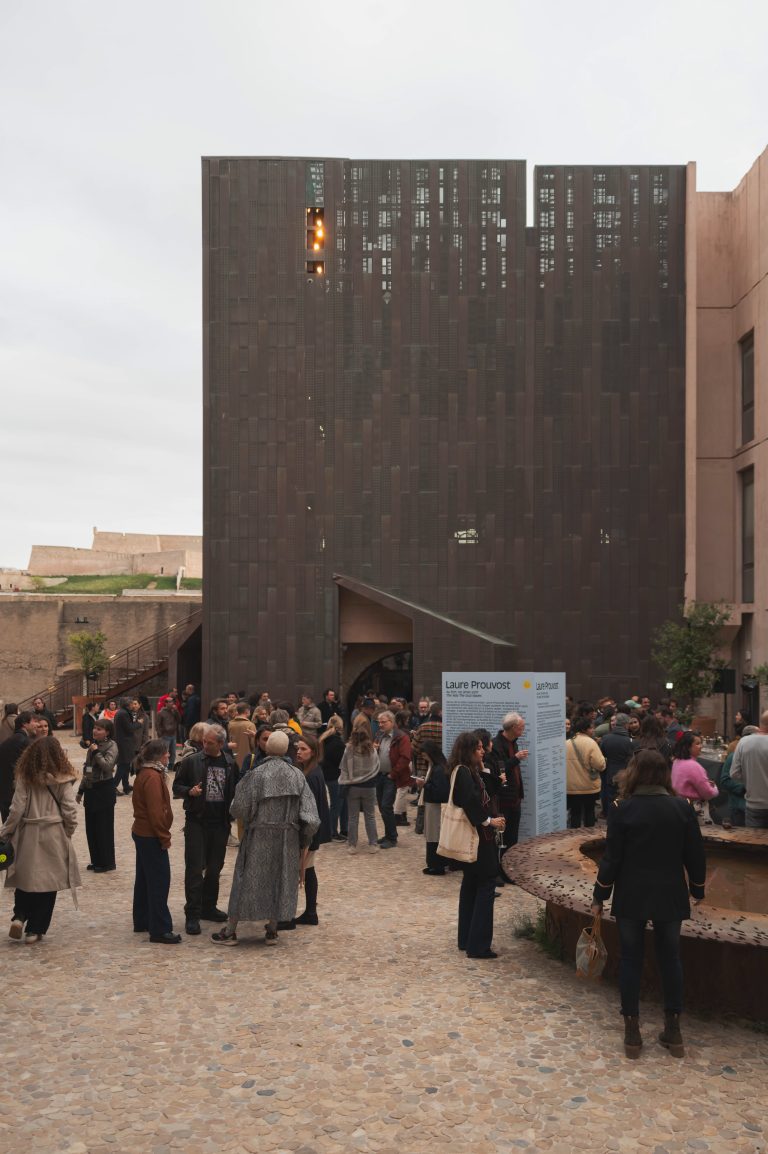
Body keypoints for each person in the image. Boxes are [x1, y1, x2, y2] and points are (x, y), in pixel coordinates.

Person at [591, 749, 706, 1059]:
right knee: (671, 958)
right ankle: (674, 1029)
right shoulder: (682, 807)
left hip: (632, 893)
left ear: (634, 773)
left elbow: (612, 858)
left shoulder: (621, 809)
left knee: (630, 959)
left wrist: (599, 895)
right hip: (670, 892)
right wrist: (698, 889)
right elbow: (694, 854)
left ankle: (632, 1032)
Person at [212, 731, 320, 946]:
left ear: (267, 748)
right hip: (287, 837)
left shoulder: (257, 774)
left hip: (259, 835)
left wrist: (252, 818)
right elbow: (312, 817)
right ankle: (272, 929)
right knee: (279, 880)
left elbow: (238, 807)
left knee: (245, 880)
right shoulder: (297, 775)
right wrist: (303, 839)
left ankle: (231, 931)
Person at [2, 736, 81, 943]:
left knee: (25, 878)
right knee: (49, 882)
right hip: (54, 832)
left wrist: (6, 831)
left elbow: (16, 808)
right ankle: (35, 929)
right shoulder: (63, 778)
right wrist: (68, 831)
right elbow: (70, 810)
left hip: (28, 831)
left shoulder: (24, 777)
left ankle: (19, 916)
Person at [172, 723, 238, 935]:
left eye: (209, 742)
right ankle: (192, 913)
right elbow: (176, 786)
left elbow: (234, 791)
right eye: (204, 741)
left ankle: (209, 907)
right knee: (194, 869)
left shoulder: (229, 763)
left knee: (215, 868)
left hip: (219, 823)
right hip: (197, 822)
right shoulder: (192, 761)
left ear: (220, 743)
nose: (204, 744)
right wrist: (189, 792)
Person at [449, 731, 507, 959]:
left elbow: (490, 788)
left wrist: (482, 765)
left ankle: (467, 939)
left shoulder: (469, 770)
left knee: (471, 885)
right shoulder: (463, 772)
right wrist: (490, 821)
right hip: (479, 838)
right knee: (485, 885)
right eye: (479, 748)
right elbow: (470, 801)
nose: (483, 751)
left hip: (478, 836)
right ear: (469, 750)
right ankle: (478, 945)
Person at [131, 738, 180, 943]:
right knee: (159, 881)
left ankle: (142, 919)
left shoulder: (148, 772)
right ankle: (159, 928)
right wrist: (164, 836)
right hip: (150, 834)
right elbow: (155, 812)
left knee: (144, 879)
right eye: (167, 753)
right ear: (159, 756)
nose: (169, 755)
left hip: (143, 833)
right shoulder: (151, 776)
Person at [292, 734, 332, 927]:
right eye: (298, 748)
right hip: (313, 830)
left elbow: (312, 808)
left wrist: (307, 836)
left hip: (311, 831)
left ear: (313, 752)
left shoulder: (313, 774)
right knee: (308, 870)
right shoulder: (309, 770)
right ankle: (310, 912)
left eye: (303, 749)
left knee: (307, 869)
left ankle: (310, 912)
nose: (299, 752)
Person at [76, 717, 118, 871]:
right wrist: (81, 790)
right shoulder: (93, 746)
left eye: (99, 729)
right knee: (91, 828)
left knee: (103, 828)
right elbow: (88, 769)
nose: (95, 731)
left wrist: (97, 753)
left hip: (104, 790)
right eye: (94, 728)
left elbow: (107, 766)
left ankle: (107, 863)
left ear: (107, 732)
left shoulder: (112, 746)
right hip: (91, 790)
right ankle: (96, 860)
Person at [338, 714, 380, 854]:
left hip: (352, 786)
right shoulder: (372, 749)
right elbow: (376, 766)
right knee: (370, 816)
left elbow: (343, 767)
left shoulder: (349, 749)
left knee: (353, 817)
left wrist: (347, 779)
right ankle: (373, 844)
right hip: (369, 786)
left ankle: (352, 845)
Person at [491, 712, 528, 869]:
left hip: (515, 798)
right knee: (501, 837)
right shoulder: (496, 745)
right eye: (521, 727)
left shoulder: (514, 742)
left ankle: (509, 870)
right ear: (513, 728)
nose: (523, 730)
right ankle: (499, 870)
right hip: (503, 800)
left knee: (513, 837)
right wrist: (516, 759)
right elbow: (499, 770)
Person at [375, 710, 412, 847]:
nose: (380, 725)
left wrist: (393, 774)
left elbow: (405, 758)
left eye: (383, 722)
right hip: (379, 775)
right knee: (381, 807)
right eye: (379, 722)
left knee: (386, 806)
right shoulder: (379, 735)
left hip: (391, 776)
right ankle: (388, 834)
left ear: (392, 722)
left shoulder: (402, 737)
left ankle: (392, 838)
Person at [413, 740, 450, 875]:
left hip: (435, 807)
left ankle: (436, 865)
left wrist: (424, 785)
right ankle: (436, 864)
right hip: (433, 806)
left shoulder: (438, 769)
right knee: (433, 836)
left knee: (434, 836)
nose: (424, 758)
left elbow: (439, 791)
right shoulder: (437, 766)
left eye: (424, 755)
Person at [730, 709, 768, 828]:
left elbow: (734, 774)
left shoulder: (743, 742)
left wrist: (751, 778)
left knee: (754, 843)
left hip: (753, 804)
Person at [565, 716, 606, 828]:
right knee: (589, 812)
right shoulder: (591, 743)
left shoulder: (567, 743)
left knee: (575, 813)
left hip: (571, 787)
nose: (593, 730)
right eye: (591, 728)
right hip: (589, 786)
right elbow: (600, 765)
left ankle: (574, 839)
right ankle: (589, 839)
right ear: (585, 729)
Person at [0, 711, 38, 821]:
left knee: (7, 832)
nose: (36, 724)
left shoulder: (7, 742)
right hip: (17, 796)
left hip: (4, 794)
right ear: (24, 724)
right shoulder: (26, 742)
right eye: (34, 721)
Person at [670, 732, 718, 814]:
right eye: (697, 744)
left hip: (677, 806)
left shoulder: (677, 761)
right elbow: (708, 793)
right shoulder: (694, 766)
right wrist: (715, 789)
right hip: (692, 809)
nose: (701, 746)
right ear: (688, 747)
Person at [719, 726, 756, 827]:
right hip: (739, 808)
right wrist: (744, 788)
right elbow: (724, 781)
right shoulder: (734, 756)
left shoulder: (758, 755)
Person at [599, 712, 634, 814]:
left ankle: (611, 818)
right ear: (626, 725)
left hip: (610, 771)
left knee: (611, 798)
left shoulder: (606, 738)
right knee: (625, 797)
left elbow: (602, 755)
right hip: (626, 772)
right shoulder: (630, 741)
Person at [319, 714, 347, 840]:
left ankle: (344, 829)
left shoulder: (324, 739)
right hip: (336, 776)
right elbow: (341, 761)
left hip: (327, 774)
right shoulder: (337, 743)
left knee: (340, 803)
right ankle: (332, 831)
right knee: (336, 804)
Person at [114, 697, 149, 796]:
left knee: (125, 765)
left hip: (128, 743)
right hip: (125, 744)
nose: (132, 705)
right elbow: (129, 728)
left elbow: (143, 731)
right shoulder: (123, 713)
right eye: (131, 703)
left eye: (134, 704)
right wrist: (139, 723)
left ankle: (126, 785)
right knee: (123, 766)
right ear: (127, 705)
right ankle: (113, 786)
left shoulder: (122, 712)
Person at [228, 701, 257, 768]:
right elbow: (254, 745)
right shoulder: (250, 725)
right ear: (247, 711)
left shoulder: (229, 724)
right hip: (246, 760)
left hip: (231, 758)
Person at [156, 697, 180, 770]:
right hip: (165, 735)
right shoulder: (161, 713)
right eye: (169, 702)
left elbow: (179, 720)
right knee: (164, 753)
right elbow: (158, 725)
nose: (172, 703)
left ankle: (171, 766)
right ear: (166, 703)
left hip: (173, 734)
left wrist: (176, 711)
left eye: (172, 702)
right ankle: (164, 766)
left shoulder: (174, 711)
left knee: (173, 752)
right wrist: (160, 735)